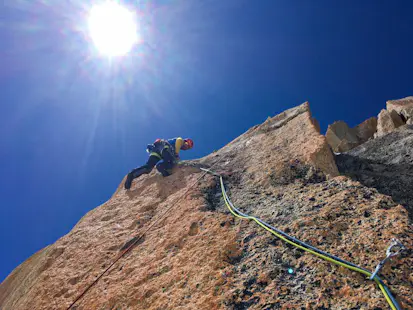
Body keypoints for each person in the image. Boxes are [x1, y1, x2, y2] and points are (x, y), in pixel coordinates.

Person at [124, 137, 194, 190]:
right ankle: (162, 167)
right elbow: (178, 141)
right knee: (172, 161)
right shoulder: (180, 140)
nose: (186, 148)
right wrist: (176, 154)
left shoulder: (174, 145)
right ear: (186, 141)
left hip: (156, 149)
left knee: (148, 168)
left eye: (188, 148)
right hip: (164, 147)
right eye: (187, 145)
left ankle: (132, 175)